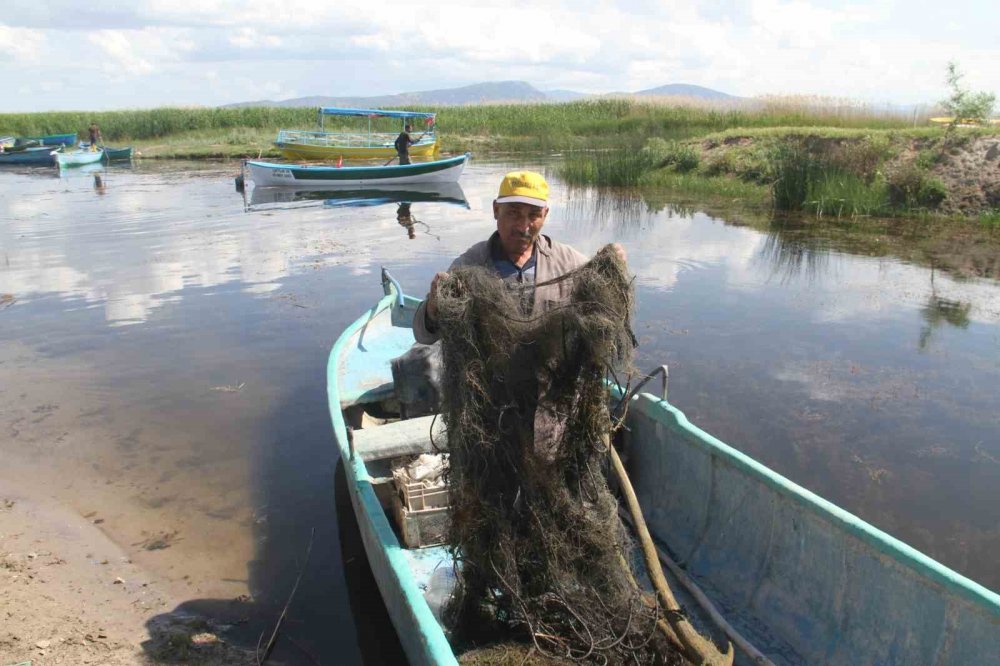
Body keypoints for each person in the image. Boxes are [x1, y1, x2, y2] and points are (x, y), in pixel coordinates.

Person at [413, 170, 626, 344]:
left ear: (545, 215)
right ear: (496, 210)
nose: (523, 227)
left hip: (551, 389)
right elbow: (424, 335)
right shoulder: (469, 265)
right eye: (513, 213)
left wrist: (611, 270)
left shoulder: (569, 263)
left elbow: (606, 316)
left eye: (533, 215)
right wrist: (433, 309)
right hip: (490, 389)